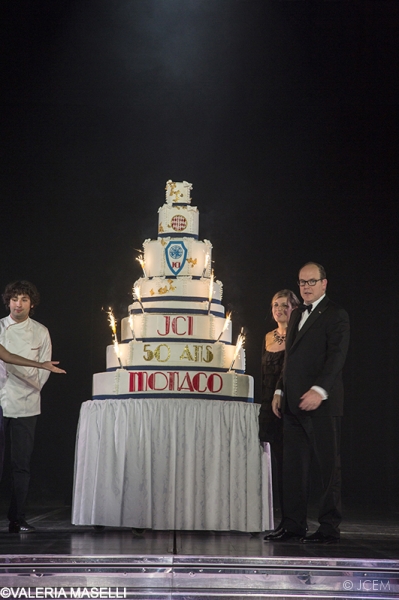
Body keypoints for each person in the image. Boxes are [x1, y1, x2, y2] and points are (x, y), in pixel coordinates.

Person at [264, 262, 350, 544]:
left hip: (322, 404)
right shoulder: (297, 312)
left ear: (324, 283)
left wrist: (319, 389)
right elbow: (290, 359)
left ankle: (328, 528)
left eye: (312, 282)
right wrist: (279, 390)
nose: (306, 287)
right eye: (302, 282)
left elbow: (336, 358)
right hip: (292, 404)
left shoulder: (336, 314)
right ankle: (292, 525)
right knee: (293, 469)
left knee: (327, 469)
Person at [0, 280, 65, 534]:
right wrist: (35, 369)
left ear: (32, 304)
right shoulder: (0, 328)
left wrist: (32, 384)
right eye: (15, 299)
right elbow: (7, 358)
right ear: (8, 302)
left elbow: (46, 366)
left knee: (21, 465)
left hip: (27, 403)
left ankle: (17, 518)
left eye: (24, 299)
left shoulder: (40, 331)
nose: (19, 304)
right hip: (1, 401)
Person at [259, 289, 300, 527]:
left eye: (285, 305)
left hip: (287, 407)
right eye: (276, 305)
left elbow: (290, 372)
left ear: (294, 308)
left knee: (288, 466)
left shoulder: (298, 336)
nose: (279, 310)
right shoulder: (267, 337)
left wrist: (281, 394)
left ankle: (291, 521)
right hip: (266, 409)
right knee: (268, 465)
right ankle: (268, 519)